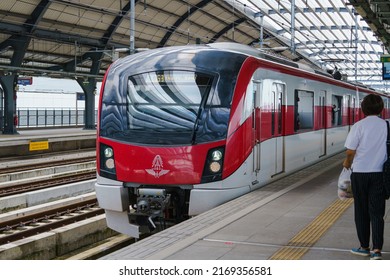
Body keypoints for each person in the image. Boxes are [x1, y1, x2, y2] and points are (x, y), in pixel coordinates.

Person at [343, 94, 387, 260]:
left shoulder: (358, 126)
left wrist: (347, 163)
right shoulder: (387, 125)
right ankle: (377, 250)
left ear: (363, 109)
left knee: (361, 211)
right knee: (377, 213)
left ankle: (364, 247)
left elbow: (350, 151)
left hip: (360, 173)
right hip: (379, 174)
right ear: (381, 109)